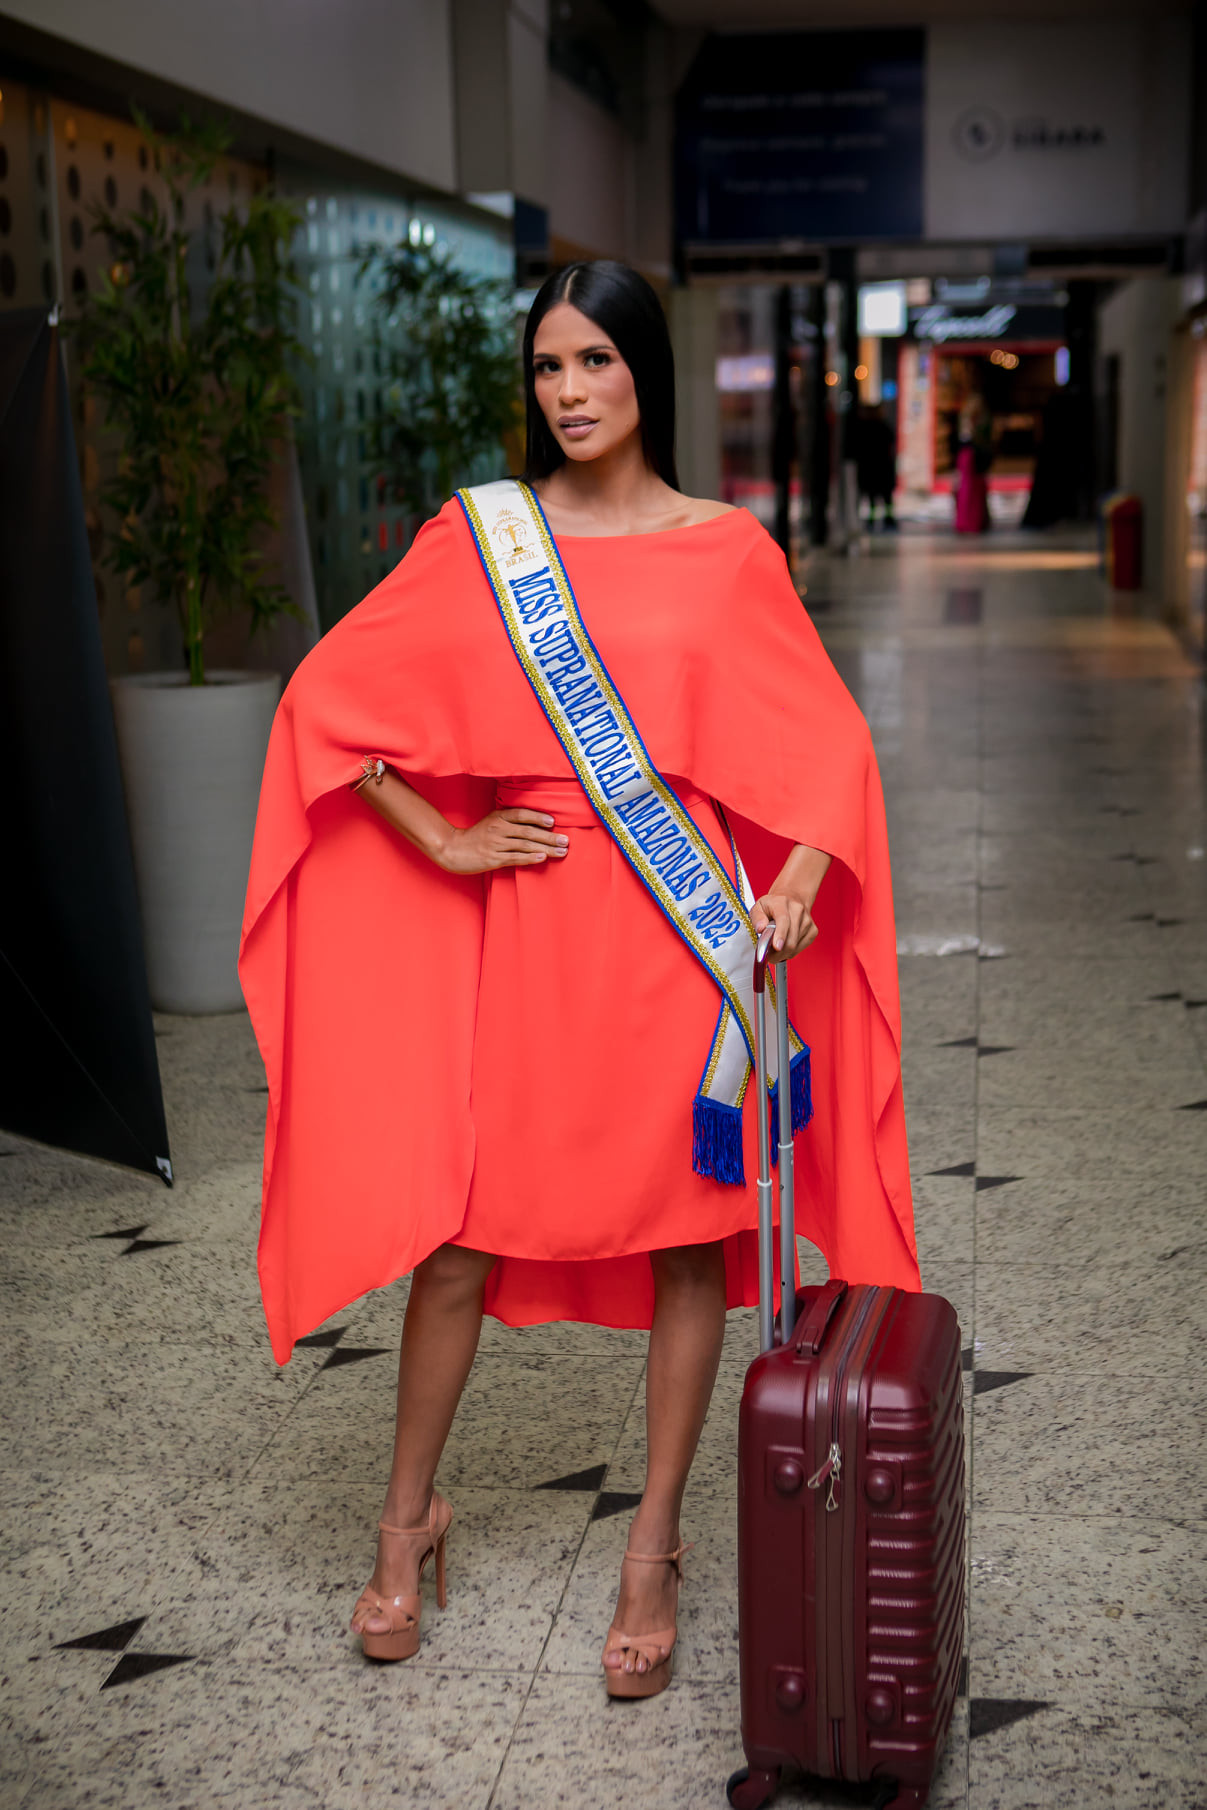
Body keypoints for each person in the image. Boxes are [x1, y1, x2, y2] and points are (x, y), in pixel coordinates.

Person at [239, 260, 918, 1701]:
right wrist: (442, 831)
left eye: (596, 362)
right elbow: (326, 699)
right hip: (534, 945)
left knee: (682, 1239)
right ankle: (405, 1515)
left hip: (679, 950)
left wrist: (792, 881)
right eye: (547, 367)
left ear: (642, 374)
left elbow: (828, 748)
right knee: (461, 1242)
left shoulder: (729, 549)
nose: (568, 392)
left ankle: (652, 1545)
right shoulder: (483, 541)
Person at [854, 401, 898, 530]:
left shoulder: (863, 428)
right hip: (881, 469)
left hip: (871, 469)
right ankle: (887, 520)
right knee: (885, 498)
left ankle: (875, 520)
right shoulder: (882, 427)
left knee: (874, 497)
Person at [953, 393, 992, 534]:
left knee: (971, 490)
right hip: (970, 458)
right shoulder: (970, 423)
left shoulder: (977, 423)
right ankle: (971, 521)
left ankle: (972, 521)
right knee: (969, 490)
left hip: (972, 458)